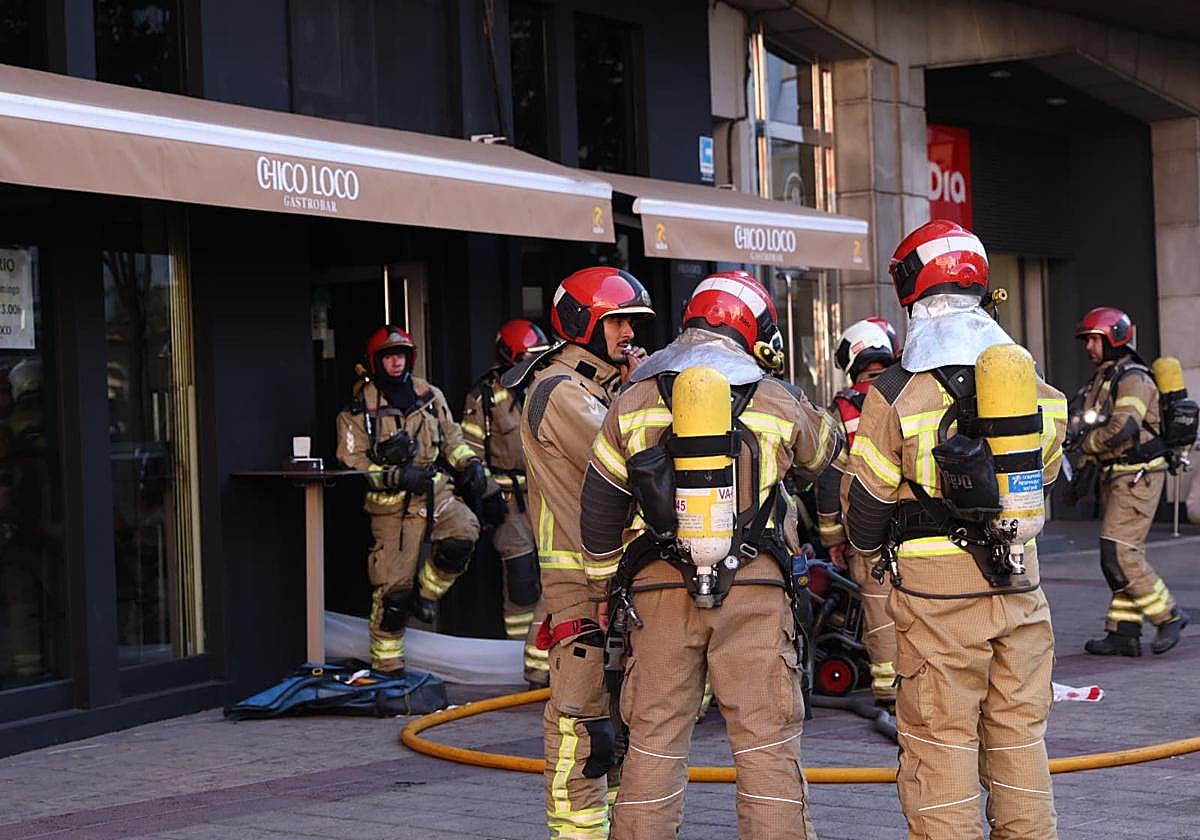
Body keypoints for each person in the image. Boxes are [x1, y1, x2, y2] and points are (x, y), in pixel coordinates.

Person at [583, 270, 841, 839]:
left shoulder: (633, 399)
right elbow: (825, 455)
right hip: (755, 589)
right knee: (766, 745)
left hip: (655, 593)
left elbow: (599, 504)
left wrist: (604, 588)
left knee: (653, 741)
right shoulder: (773, 397)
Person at [844, 220, 1067, 840]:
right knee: (1020, 738)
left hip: (936, 597)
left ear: (911, 290)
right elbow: (1047, 469)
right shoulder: (1030, 381)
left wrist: (870, 548)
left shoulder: (895, 390)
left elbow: (865, 504)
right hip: (1019, 584)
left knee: (940, 744)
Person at [503, 266, 653, 840]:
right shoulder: (561, 391)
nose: (628, 334)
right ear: (581, 322)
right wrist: (643, 395)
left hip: (615, 577)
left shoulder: (602, 387)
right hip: (580, 585)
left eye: (632, 323)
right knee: (582, 727)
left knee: (618, 726)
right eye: (617, 322)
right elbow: (624, 457)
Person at [335, 325, 485, 675]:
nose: (396, 362)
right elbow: (352, 464)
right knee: (393, 595)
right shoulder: (358, 410)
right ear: (376, 362)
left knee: (463, 533)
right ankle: (388, 669)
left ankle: (427, 596)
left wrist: (471, 464)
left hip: (434, 492)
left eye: (401, 355)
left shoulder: (429, 395)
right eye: (389, 356)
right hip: (392, 508)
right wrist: (396, 476)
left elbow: (453, 439)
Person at [1073, 306, 1189, 656]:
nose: (1089, 347)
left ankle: (1168, 615)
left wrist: (1087, 445)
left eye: (1095, 339)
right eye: (1087, 340)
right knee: (1123, 553)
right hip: (1117, 475)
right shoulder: (1104, 377)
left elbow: (1123, 426)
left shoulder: (1133, 377)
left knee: (1118, 552)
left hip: (1138, 476)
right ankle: (1123, 632)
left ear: (1115, 338)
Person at [461, 318, 552, 687]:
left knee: (555, 576)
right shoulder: (484, 396)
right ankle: (516, 655)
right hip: (508, 498)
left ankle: (544, 656)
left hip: (547, 494)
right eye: (529, 356)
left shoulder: (548, 386)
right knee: (521, 580)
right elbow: (469, 452)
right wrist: (488, 494)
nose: (535, 363)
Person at [815, 317, 899, 708]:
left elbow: (829, 479)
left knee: (880, 606)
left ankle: (889, 687)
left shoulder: (842, 411)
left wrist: (833, 537)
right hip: (920, 524)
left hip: (867, 527)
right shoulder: (911, 392)